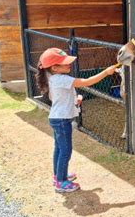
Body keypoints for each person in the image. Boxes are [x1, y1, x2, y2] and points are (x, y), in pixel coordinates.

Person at [35, 48, 118, 193]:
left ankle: (58, 176)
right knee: (65, 150)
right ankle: (61, 182)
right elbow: (86, 82)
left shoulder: (52, 77)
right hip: (62, 120)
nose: (69, 65)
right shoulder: (62, 79)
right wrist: (106, 72)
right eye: (65, 63)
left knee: (59, 149)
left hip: (56, 117)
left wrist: (76, 100)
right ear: (54, 68)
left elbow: (60, 98)